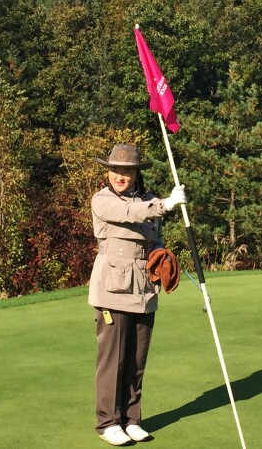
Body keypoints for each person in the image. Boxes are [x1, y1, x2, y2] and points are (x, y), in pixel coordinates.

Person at [88, 143, 186, 446]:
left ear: (135, 174)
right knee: (113, 360)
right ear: (108, 171)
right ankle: (108, 422)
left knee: (136, 360)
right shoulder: (102, 200)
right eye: (116, 170)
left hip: (143, 289)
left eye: (127, 171)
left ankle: (131, 420)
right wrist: (166, 204)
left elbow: (152, 237)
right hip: (112, 290)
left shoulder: (147, 200)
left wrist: (161, 254)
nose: (121, 175)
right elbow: (129, 212)